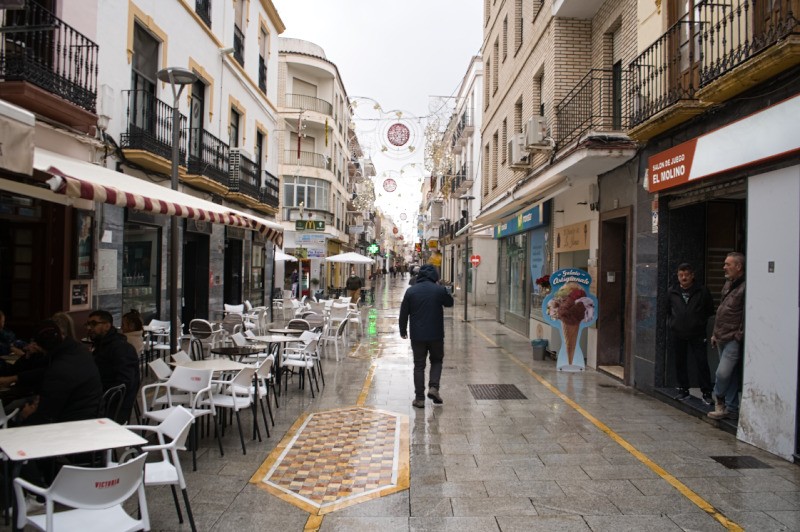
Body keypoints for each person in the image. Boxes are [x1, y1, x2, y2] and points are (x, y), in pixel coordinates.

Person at [19, 320, 102, 425]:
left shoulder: (59, 368)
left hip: (73, 423)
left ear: (39, 346)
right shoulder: (79, 349)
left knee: (18, 416)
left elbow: (45, 417)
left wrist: (27, 415)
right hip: (90, 411)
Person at [399, 264, 454, 408]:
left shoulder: (411, 291)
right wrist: (444, 289)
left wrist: (402, 330)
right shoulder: (439, 290)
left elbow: (404, 312)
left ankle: (419, 399)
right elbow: (450, 303)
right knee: (436, 361)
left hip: (417, 335)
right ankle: (434, 387)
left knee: (419, 365)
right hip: (436, 334)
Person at [667, 263, 715, 404]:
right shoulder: (672, 291)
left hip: (697, 333)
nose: (684, 278)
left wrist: (699, 322)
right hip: (678, 332)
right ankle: (683, 390)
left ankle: (706, 392)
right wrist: (672, 323)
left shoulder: (702, 291)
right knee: (680, 362)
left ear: (692, 275)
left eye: (686, 275)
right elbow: (667, 310)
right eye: (681, 275)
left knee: (701, 362)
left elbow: (709, 310)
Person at [708, 252, 746, 420]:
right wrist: (714, 334)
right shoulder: (728, 284)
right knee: (729, 374)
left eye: (727, 264)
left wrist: (739, 335)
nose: (724, 267)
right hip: (721, 336)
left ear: (738, 266)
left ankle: (719, 400)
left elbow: (744, 315)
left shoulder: (745, 287)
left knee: (722, 373)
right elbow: (722, 310)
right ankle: (731, 407)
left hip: (733, 338)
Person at [86, 310, 140, 424]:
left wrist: (100, 399)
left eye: (94, 324)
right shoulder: (101, 346)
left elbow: (124, 382)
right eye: (88, 324)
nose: (89, 328)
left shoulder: (121, 348)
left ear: (107, 326)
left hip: (111, 410)